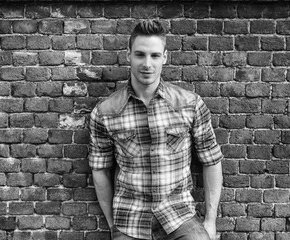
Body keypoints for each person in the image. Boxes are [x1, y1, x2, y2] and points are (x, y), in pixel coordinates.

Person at [89, 19, 223, 240]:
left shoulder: (189, 105)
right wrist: (113, 226)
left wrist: (210, 221)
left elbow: (211, 160)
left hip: (178, 216)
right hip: (129, 219)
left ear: (165, 57)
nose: (147, 64)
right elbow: (100, 169)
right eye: (140, 54)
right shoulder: (106, 112)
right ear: (128, 55)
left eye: (154, 56)